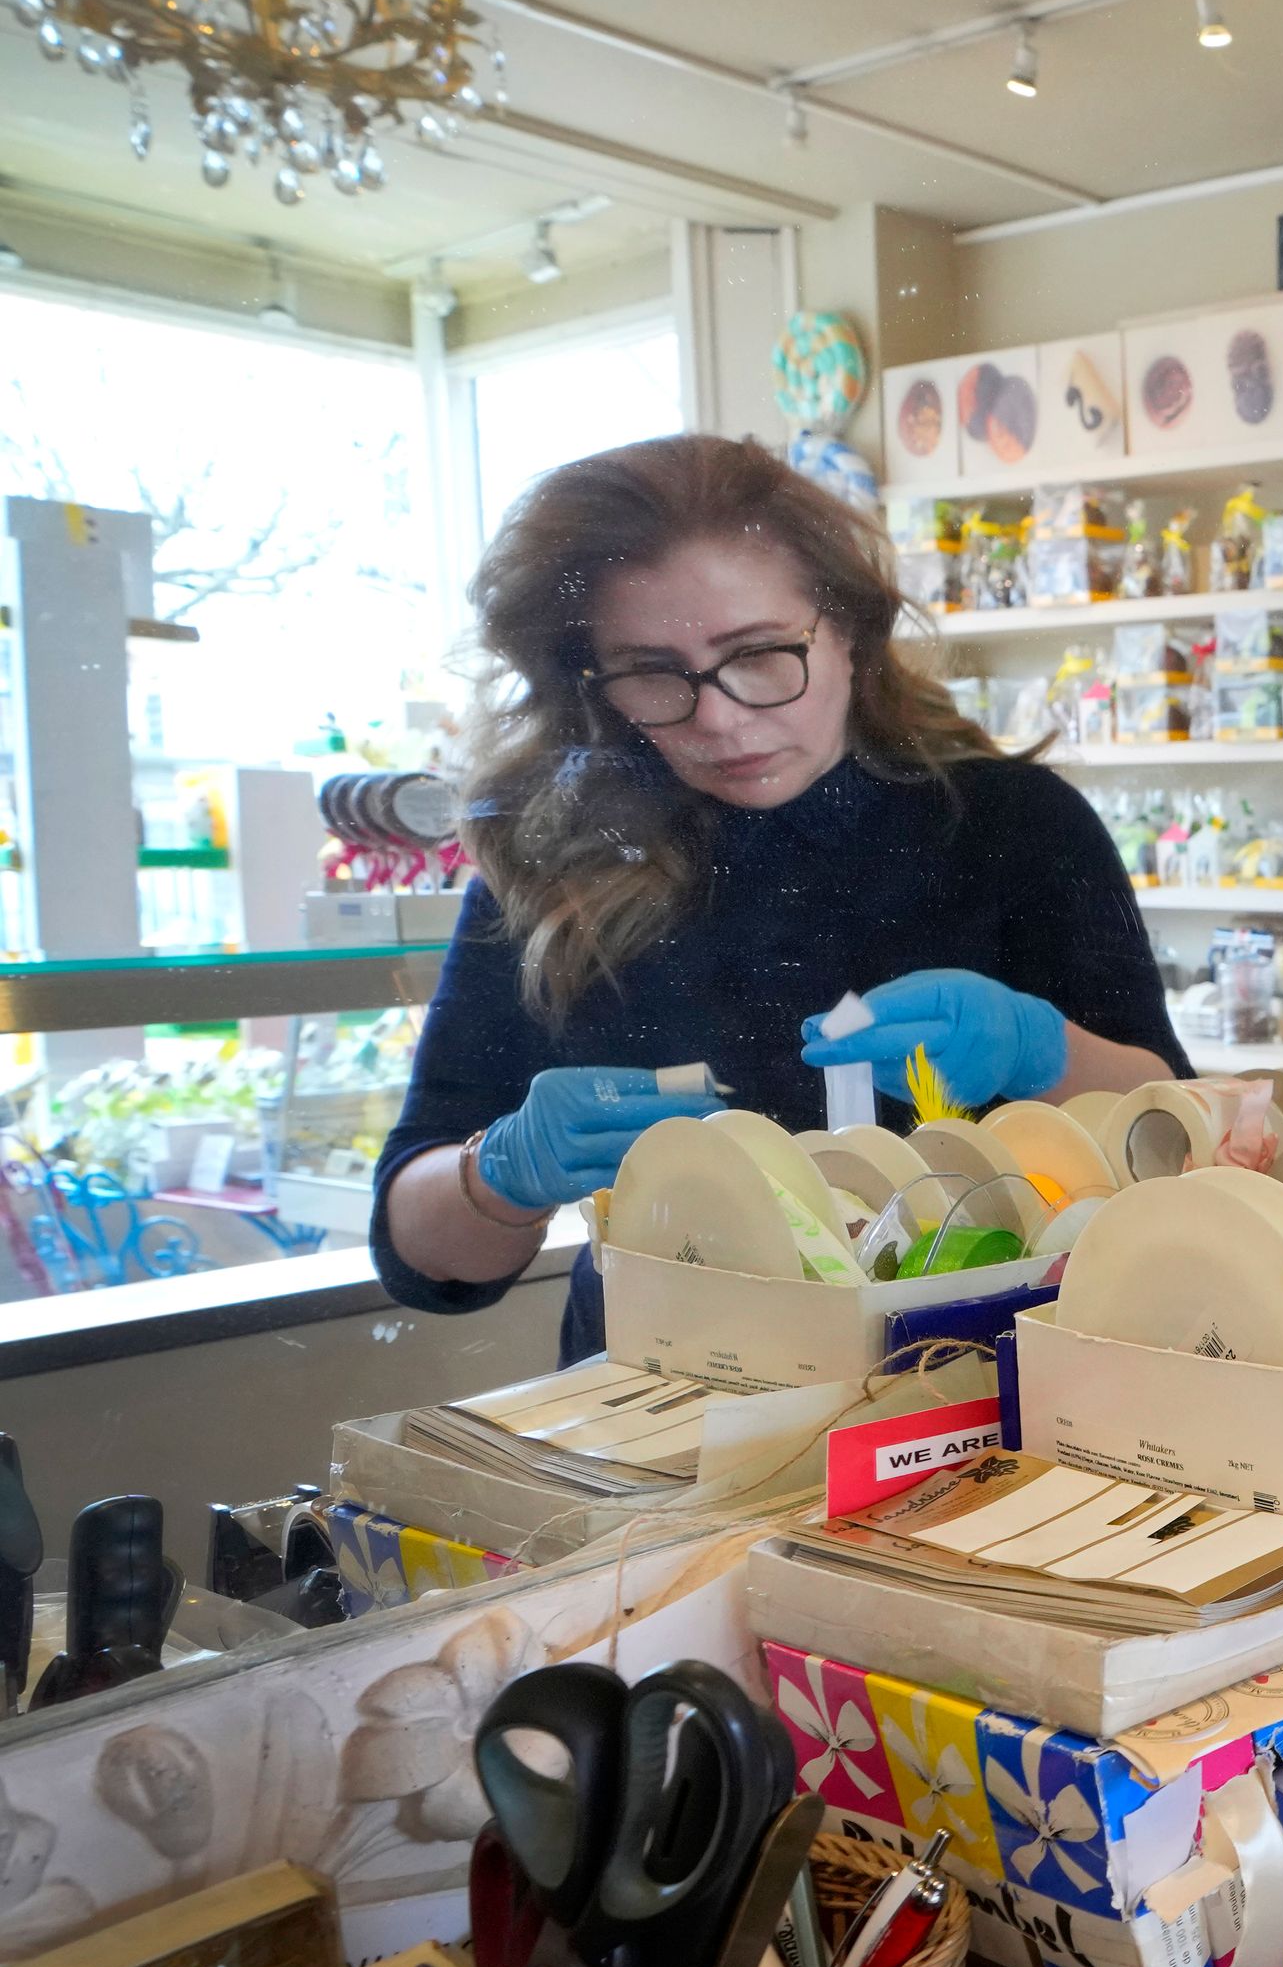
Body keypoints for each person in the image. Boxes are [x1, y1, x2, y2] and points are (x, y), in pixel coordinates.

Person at [375, 435, 1186, 1364]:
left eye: (759, 652)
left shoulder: (1009, 823)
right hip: (665, 1400)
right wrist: (501, 1172)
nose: (719, 717)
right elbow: (420, 1258)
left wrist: (1043, 1050)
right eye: (651, 671)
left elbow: (1175, 1137)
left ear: (847, 628)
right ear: (591, 681)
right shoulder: (559, 858)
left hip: (966, 1388)